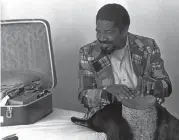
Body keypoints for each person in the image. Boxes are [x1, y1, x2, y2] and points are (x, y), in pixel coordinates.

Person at [72, 3, 179, 140]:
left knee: (175, 130)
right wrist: (107, 91)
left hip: (144, 108)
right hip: (106, 111)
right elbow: (84, 96)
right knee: (120, 130)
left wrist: (154, 85)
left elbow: (166, 86)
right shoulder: (88, 52)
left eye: (108, 32)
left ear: (124, 30)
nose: (101, 38)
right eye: (98, 31)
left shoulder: (147, 46)